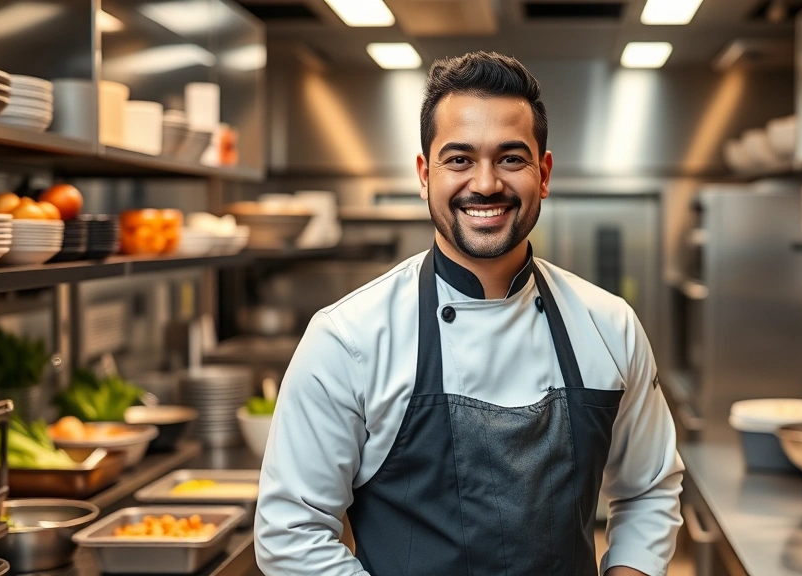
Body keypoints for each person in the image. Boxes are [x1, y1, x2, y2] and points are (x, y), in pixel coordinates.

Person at [255, 51, 684, 576]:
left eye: (511, 158)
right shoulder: (349, 338)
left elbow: (648, 490)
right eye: (459, 159)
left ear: (543, 174)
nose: (485, 184)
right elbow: (290, 533)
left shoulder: (609, 325)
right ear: (424, 174)